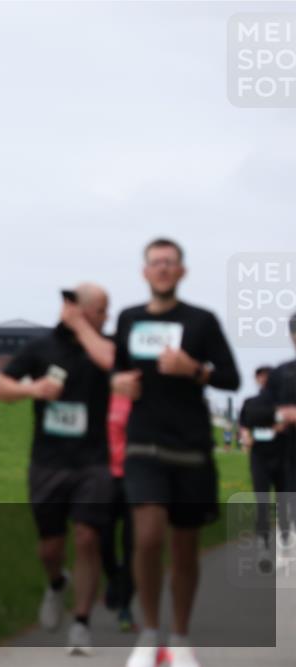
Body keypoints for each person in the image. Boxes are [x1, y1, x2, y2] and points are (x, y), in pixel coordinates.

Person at [111, 239, 240, 667]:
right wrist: (119, 383)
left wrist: (194, 370)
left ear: (181, 272)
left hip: (190, 448)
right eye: (155, 263)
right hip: (144, 443)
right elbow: (115, 370)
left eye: (170, 263)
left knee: (185, 548)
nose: (163, 269)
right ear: (144, 272)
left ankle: (180, 639)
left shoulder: (201, 321)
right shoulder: (129, 319)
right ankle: (150, 634)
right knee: (147, 538)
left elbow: (231, 378)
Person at [0, 283, 115, 656]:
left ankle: (80, 624)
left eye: (104, 311)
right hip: (48, 462)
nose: (104, 317)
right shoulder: (41, 347)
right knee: (50, 547)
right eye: (99, 310)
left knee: (88, 537)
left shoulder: (106, 349)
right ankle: (56, 583)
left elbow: (113, 363)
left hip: (95, 461)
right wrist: (34, 391)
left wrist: (83, 330)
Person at [244, 313, 296, 561]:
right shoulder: (282, 375)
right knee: (268, 503)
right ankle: (267, 544)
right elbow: (252, 416)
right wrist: (279, 415)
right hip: (271, 455)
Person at [238, 365, 291, 568]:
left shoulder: (284, 403)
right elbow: (244, 425)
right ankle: (263, 546)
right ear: (256, 379)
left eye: (267, 376)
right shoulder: (250, 403)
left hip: (283, 455)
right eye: (259, 376)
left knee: (284, 502)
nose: (263, 379)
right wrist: (246, 437)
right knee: (262, 501)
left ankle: (285, 542)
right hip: (260, 457)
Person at [101, 391, 137, 632]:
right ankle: (114, 579)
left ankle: (125, 606)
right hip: (103, 478)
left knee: (133, 546)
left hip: (137, 478)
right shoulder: (98, 395)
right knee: (102, 542)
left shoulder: (141, 399)